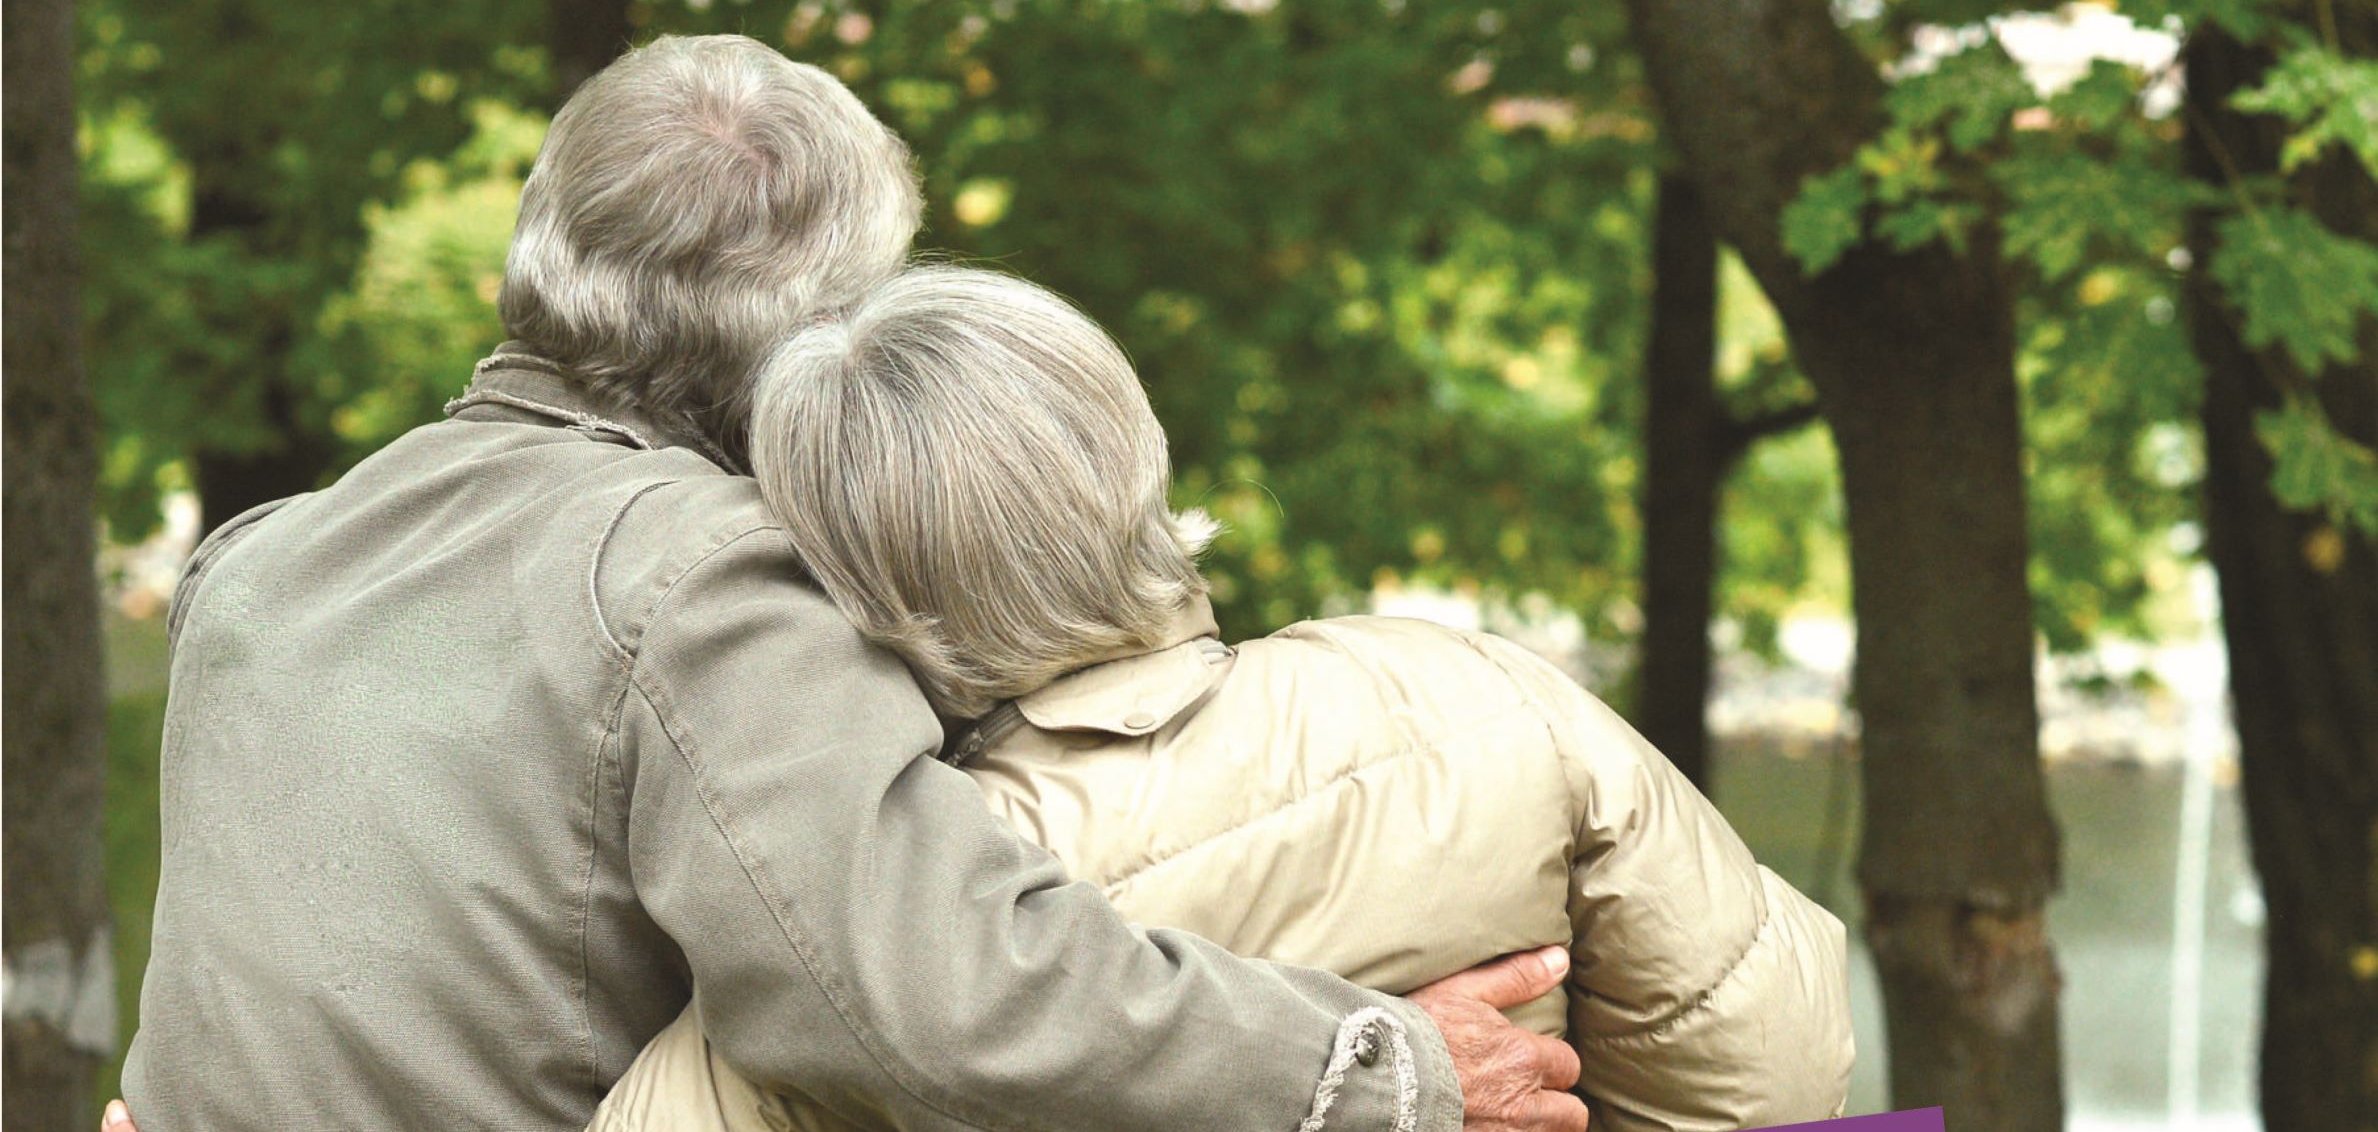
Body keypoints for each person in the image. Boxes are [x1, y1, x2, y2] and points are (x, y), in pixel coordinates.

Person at [113, 34, 1589, 1132]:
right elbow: (937, 996)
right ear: (814, 339)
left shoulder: (264, 559)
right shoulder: (700, 573)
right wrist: (1370, 1073)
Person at [590, 266, 1856, 1132]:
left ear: (845, 581)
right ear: (1127, 454)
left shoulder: (885, 921)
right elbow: (1777, 1069)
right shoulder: (1476, 699)